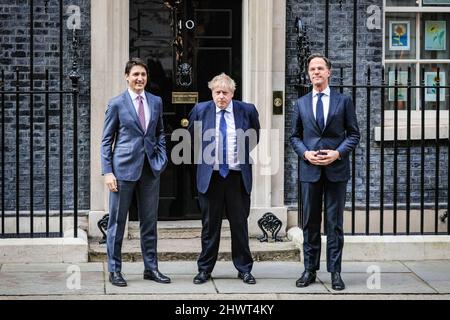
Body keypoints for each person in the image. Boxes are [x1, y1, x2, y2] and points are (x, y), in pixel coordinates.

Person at [290, 54, 360, 291]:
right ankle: (309, 270)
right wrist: (305, 154)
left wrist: (338, 153)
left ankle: (335, 272)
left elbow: (353, 135)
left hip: (336, 171)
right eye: (312, 69)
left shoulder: (343, 101)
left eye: (320, 68)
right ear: (309, 74)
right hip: (309, 171)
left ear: (329, 72)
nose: (316, 72)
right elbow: (294, 137)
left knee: (334, 224)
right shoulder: (300, 103)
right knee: (309, 223)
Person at [101, 58, 170, 287]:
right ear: (126, 77)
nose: (140, 78)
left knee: (149, 223)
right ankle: (114, 270)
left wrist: (161, 157)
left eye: (143, 75)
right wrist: (107, 172)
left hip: (150, 170)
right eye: (135, 75)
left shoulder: (156, 101)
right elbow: (106, 141)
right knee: (117, 223)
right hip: (123, 171)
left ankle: (151, 268)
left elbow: (160, 132)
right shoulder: (117, 104)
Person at [188, 73, 260, 285]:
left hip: (237, 177)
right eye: (217, 92)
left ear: (232, 93)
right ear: (211, 92)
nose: (221, 96)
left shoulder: (246, 110)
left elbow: (254, 135)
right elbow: (192, 138)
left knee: (240, 225)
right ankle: (205, 269)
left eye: (225, 93)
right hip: (212, 177)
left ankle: (244, 268)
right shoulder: (201, 110)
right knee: (210, 226)